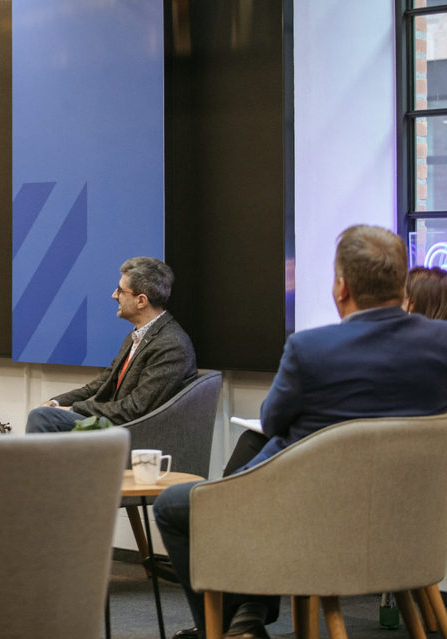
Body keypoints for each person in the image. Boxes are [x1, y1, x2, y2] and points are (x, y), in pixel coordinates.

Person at [155, 225, 447, 639]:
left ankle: (227, 629)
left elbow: (273, 421)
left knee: (175, 505)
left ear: (341, 288)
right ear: (402, 286)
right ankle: (246, 618)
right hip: (408, 524)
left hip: (309, 516)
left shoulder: (311, 348)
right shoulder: (441, 342)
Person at [223, 263, 447, 476]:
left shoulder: (319, 350)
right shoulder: (434, 355)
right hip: (416, 486)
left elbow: (273, 420)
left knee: (250, 446)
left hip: (330, 475)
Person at [25, 256, 197, 433]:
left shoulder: (171, 344)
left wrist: (72, 409)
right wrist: (56, 402)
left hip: (135, 430)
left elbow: (136, 408)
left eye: (120, 290)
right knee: (44, 412)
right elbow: (103, 383)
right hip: (116, 423)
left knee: (43, 417)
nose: (114, 295)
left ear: (141, 301)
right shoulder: (138, 335)